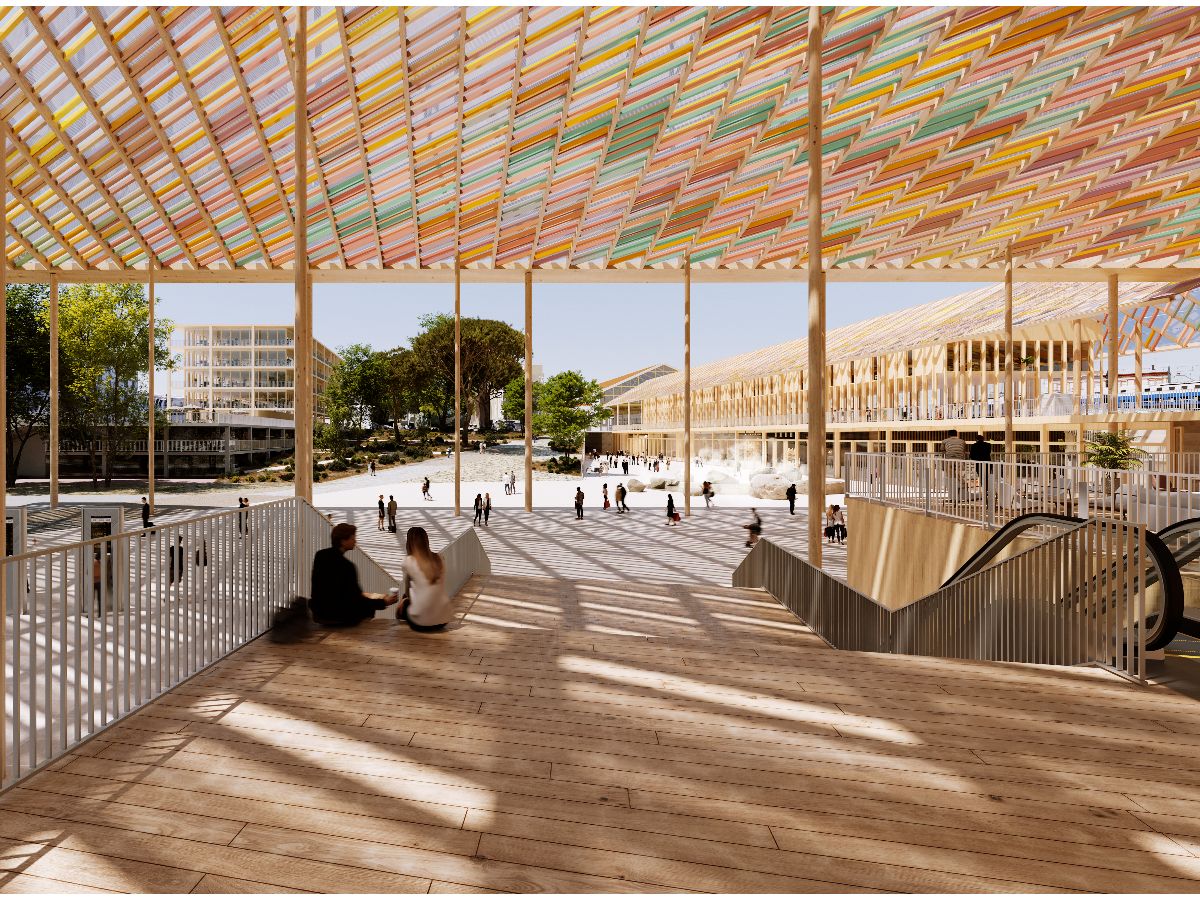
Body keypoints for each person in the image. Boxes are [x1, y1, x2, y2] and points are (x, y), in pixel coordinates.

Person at [309, 523, 398, 626]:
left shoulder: (320, 556)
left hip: (319, 613)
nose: (355, 541)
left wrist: (369, 595)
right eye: (353, 538)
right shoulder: (347, 566)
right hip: (338, 617)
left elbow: (337, 591)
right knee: (368, 609)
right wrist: (384, 602)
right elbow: (357, 601)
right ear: (343, 541)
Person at [398, 526, 452, 631]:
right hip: (443, 619)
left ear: (409, 543)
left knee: (402, 606)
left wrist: (403, 601)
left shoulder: (409, 561)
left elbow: (408, 594)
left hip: (420, 623)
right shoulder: (440, 558)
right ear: (426, 541)